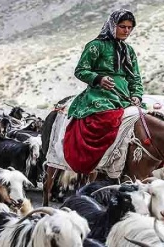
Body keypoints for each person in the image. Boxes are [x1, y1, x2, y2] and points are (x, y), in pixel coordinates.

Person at [63, 9, 144, 174]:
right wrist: (99, 78)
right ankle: (102, 162)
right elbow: (81, 70)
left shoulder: (129, 51)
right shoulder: (95, 46)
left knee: (146, 121)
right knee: (105, 118)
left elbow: (135, 77)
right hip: (100, 93)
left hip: (124, 94)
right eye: (122, 26)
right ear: (112, 25)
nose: (126, 31)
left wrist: (136, 95)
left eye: (130, 27)